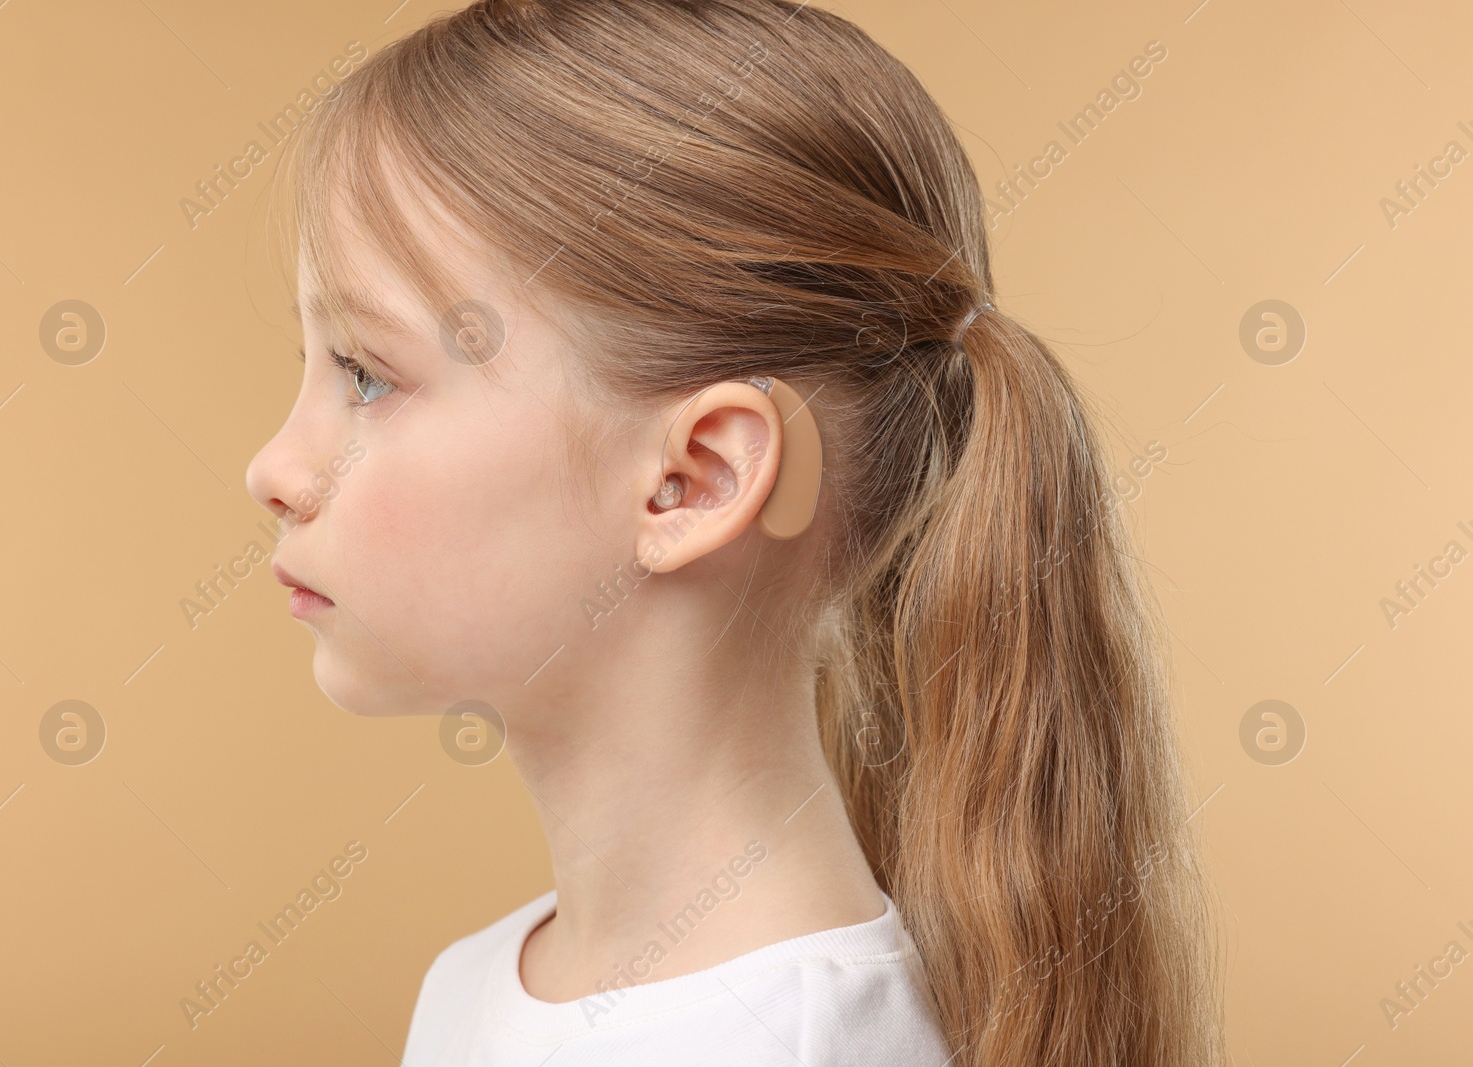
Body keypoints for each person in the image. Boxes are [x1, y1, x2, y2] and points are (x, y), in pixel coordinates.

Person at [245, 1, 1227, 1063]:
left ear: (694, 480)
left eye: (366, 375)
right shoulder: (479, 981)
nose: (274, 469)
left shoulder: (795, 1043)